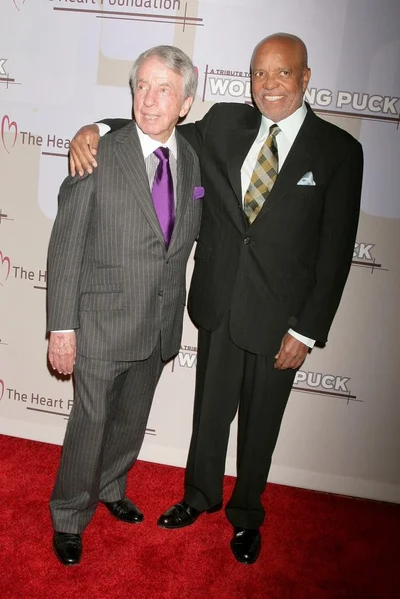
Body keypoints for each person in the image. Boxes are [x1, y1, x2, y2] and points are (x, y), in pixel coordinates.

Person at [69, 33, 363, 565]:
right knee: (209, 415)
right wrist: (97, 128)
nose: (268, 85)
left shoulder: (340, 151)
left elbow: (337, 250)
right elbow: (158, 129)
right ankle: (198, 497)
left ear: (305, 77)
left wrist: (306, 330)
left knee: (260, 423)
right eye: (259, 74)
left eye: (281, 73)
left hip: (281, 319)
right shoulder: (226, 125)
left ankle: (246, 514)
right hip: (219, 303)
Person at [46, 45, 202, 566]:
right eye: (141, 86)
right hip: (100, 325)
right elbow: (65, 247)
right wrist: (62, 327)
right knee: (89, 424)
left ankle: (113, 487)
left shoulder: (193, 159)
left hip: (157, 325)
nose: (149, 100)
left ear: (185, 104)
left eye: (164, 90)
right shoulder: (97, 153)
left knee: (131, 420)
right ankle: (69, 516)